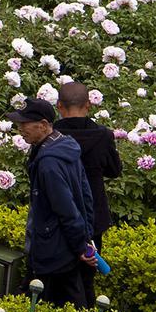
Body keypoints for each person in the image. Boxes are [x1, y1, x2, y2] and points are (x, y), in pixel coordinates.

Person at [13, 97, 99, 309]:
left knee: (53, 306)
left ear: (43, 125)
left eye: (25, 124)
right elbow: (86, 195)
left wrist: (81, 245)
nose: (20, 129)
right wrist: (86, 237)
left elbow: (65, 208)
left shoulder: (48, 163)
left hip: (54, 249)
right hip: (62, 246)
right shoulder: (64, 145)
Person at [53, 83, 123, 251]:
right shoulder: (103, 135)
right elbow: (114, 170)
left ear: (59, 105)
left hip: (57, 211)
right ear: (88, 105)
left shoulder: (51, 135)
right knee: (88, 266)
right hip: (93, 212)